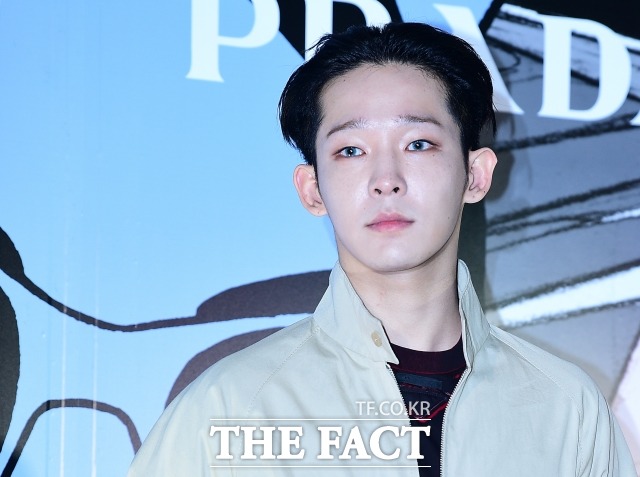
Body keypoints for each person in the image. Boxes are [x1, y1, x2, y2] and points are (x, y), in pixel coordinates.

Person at [128, 22, 635, 476]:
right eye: (351, 150)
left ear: (475, 175)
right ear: (312, 189)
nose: (386, 179)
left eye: (418, 144)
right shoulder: (226, 411)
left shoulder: (568, 409)